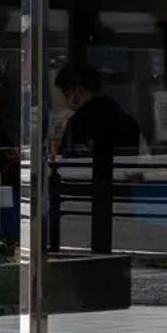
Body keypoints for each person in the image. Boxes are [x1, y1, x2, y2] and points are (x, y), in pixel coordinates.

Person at [49, 65, 142, 255]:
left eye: (66, 93)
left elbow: (69, 160)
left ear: (78, 91)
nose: (66, 100)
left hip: (81, 199)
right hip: (123, 195)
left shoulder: (80, 120)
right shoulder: (124, 117)